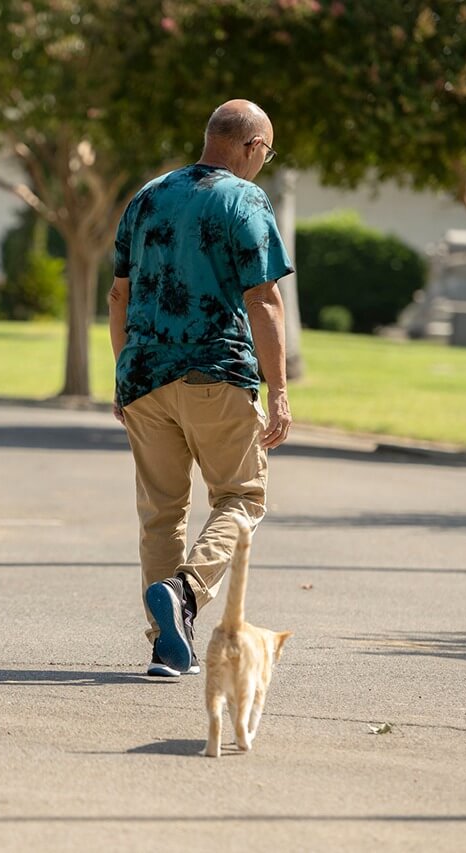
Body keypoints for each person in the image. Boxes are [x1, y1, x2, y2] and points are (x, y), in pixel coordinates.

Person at [108, 99, 294, 678]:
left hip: (144, 375)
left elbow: (118, 295)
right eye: (266, 152)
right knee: (241, 497)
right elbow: (263, 300)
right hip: (215, 372)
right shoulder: (244, 198)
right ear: (250, 147)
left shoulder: (147, 195)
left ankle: (167, 645)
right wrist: (280, 391)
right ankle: (186, 595)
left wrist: (124, 375)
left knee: (161, 514)